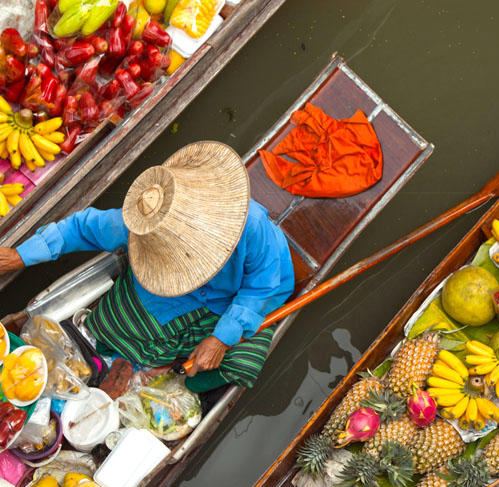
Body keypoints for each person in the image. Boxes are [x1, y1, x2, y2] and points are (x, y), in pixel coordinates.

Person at [0, 141, 294, 393]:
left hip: (241, 298)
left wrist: (220, 338)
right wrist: (21, 256)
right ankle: (141, 361)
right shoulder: (144, 224)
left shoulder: (251, 227)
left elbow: (261, 288)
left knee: (239, 364)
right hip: (175, 287)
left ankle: (170, 368)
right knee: (113, 322)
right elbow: (79, 228)